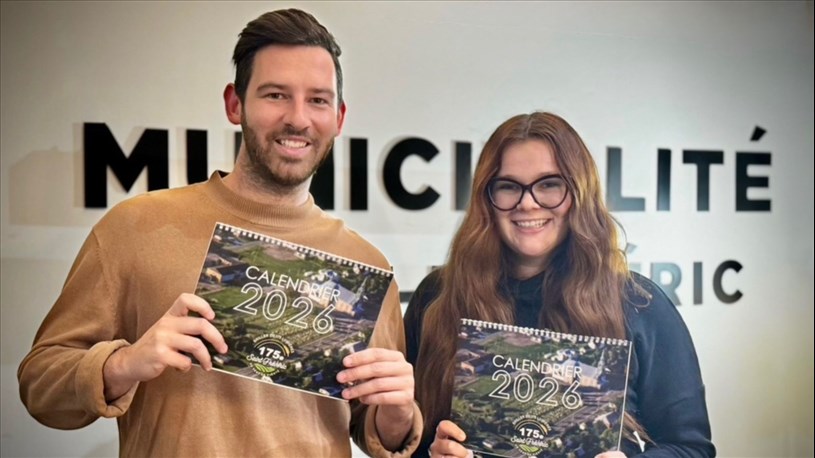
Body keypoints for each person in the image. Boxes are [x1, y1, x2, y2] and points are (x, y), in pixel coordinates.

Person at [18, 9, 421, 457]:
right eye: (275, 95)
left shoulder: (365, 268)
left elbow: (374, 428)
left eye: (318, 100)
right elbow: (40, 387)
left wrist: (399, 412)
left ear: (339, 117)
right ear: (235, 104)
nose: (298, 118)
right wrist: (126, 362)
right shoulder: (135, 227)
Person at [404, 112, 715, 457]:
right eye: (508, 186)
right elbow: (405, 440)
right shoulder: (437, 296)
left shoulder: (639, 303)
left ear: (579, 193)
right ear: (485, 199)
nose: (527, 203)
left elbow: (691, 448)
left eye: (549, 184)